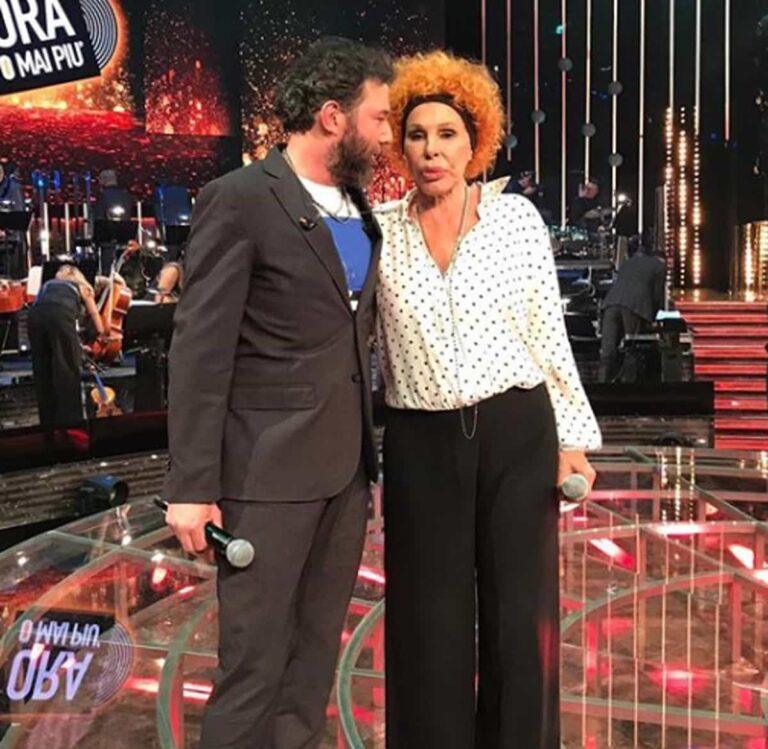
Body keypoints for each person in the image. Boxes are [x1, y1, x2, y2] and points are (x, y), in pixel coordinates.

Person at [161, 37, 393, 749]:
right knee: (253, 669)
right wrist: (191, 486)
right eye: (380, 118)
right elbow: (200, 352)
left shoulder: (361, 208)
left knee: (313, 664)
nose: (389, 135)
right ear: (333, 116)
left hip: (345, 476)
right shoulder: (239, 200)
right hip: (264, 478)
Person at [375, 50, 602, 749]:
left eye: (447, 134)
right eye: (417, 135)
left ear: (475, 142)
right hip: (419, 441)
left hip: (515, 431)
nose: (431, 149)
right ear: (401, 147)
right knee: (428, 622)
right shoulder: (376, 229)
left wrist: (572, 439)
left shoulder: (515, 220)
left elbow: (548, 334)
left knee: (519, 620)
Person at [28, 264, 106, 426]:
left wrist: (76, 345)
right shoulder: (83, 287)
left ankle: (47, 425)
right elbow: (98, 326)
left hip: (34, 317)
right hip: (61, 315)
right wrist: (102, 335)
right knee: (67, 370)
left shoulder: (48, 285)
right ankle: (71, 424)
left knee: (42, 371)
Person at [599, 235, 667, 382]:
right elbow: (657, 295)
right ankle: (629, 385)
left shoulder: (629, 262)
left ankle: (602, 384)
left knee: (607, 350)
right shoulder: (660, 266)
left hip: (611, 302)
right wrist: (654, 317)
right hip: (634, 306)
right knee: (632, 346)